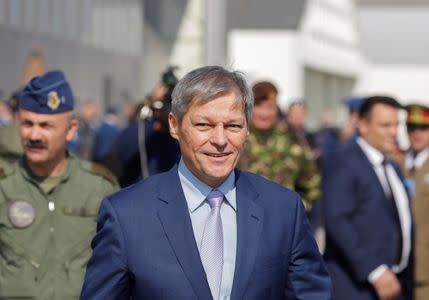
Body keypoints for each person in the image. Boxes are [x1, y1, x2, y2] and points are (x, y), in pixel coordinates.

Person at [80, 66, 332, 299]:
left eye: (233, 125)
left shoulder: (283, 210)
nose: (220, 139)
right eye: (204, 125)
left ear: (247, 130)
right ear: (174, 125)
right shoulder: (127, 214)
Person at [0, 70, 119, 299]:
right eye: (27, 124)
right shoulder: (4, 186)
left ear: (71, 129)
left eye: (45, 126)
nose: (34, 135)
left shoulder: (100, 188)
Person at [323, 95, 414, 300]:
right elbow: (337, 221)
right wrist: (374, 270)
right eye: (385, 125)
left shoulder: (393, 167)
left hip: (395, 283)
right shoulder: (344, 162)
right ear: (363, 125)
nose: (394, 132)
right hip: (359, 287)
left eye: (396, 125)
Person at [395, 103, 429, 299]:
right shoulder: (394, 163)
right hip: (395, 267)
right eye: (412, 127)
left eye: (423, 128)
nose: (417, 134)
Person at [239, 81, 321, 211]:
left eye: (270, 107)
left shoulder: (291, 139)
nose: (264, 113)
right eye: (259, 106)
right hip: (243, 219)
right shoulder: (238, 137)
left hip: (282, 223)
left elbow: (312, 184)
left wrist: (296, 210)